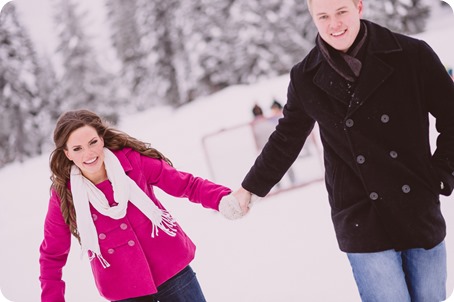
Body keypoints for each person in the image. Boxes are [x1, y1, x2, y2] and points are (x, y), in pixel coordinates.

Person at [233, 0, 454, 301]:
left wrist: (442, 171)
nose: (334, 24)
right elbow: (287, 137)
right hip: (360, 212)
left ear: (359, 7)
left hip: (416, 200)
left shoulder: (411, 54)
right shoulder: (306, 76)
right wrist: (250, 187)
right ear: (312, 17)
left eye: (341, 12)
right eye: (323, 16)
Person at [39, 109, 243, 302]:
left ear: (102, 139)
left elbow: (186, 184)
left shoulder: (133, 162)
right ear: (67, 153)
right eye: (77, 148)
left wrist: (222, 198)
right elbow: (52, 256)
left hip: (172, 271)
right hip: (124, 289)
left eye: (93, 142)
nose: (88, 153)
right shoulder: (65, 196)